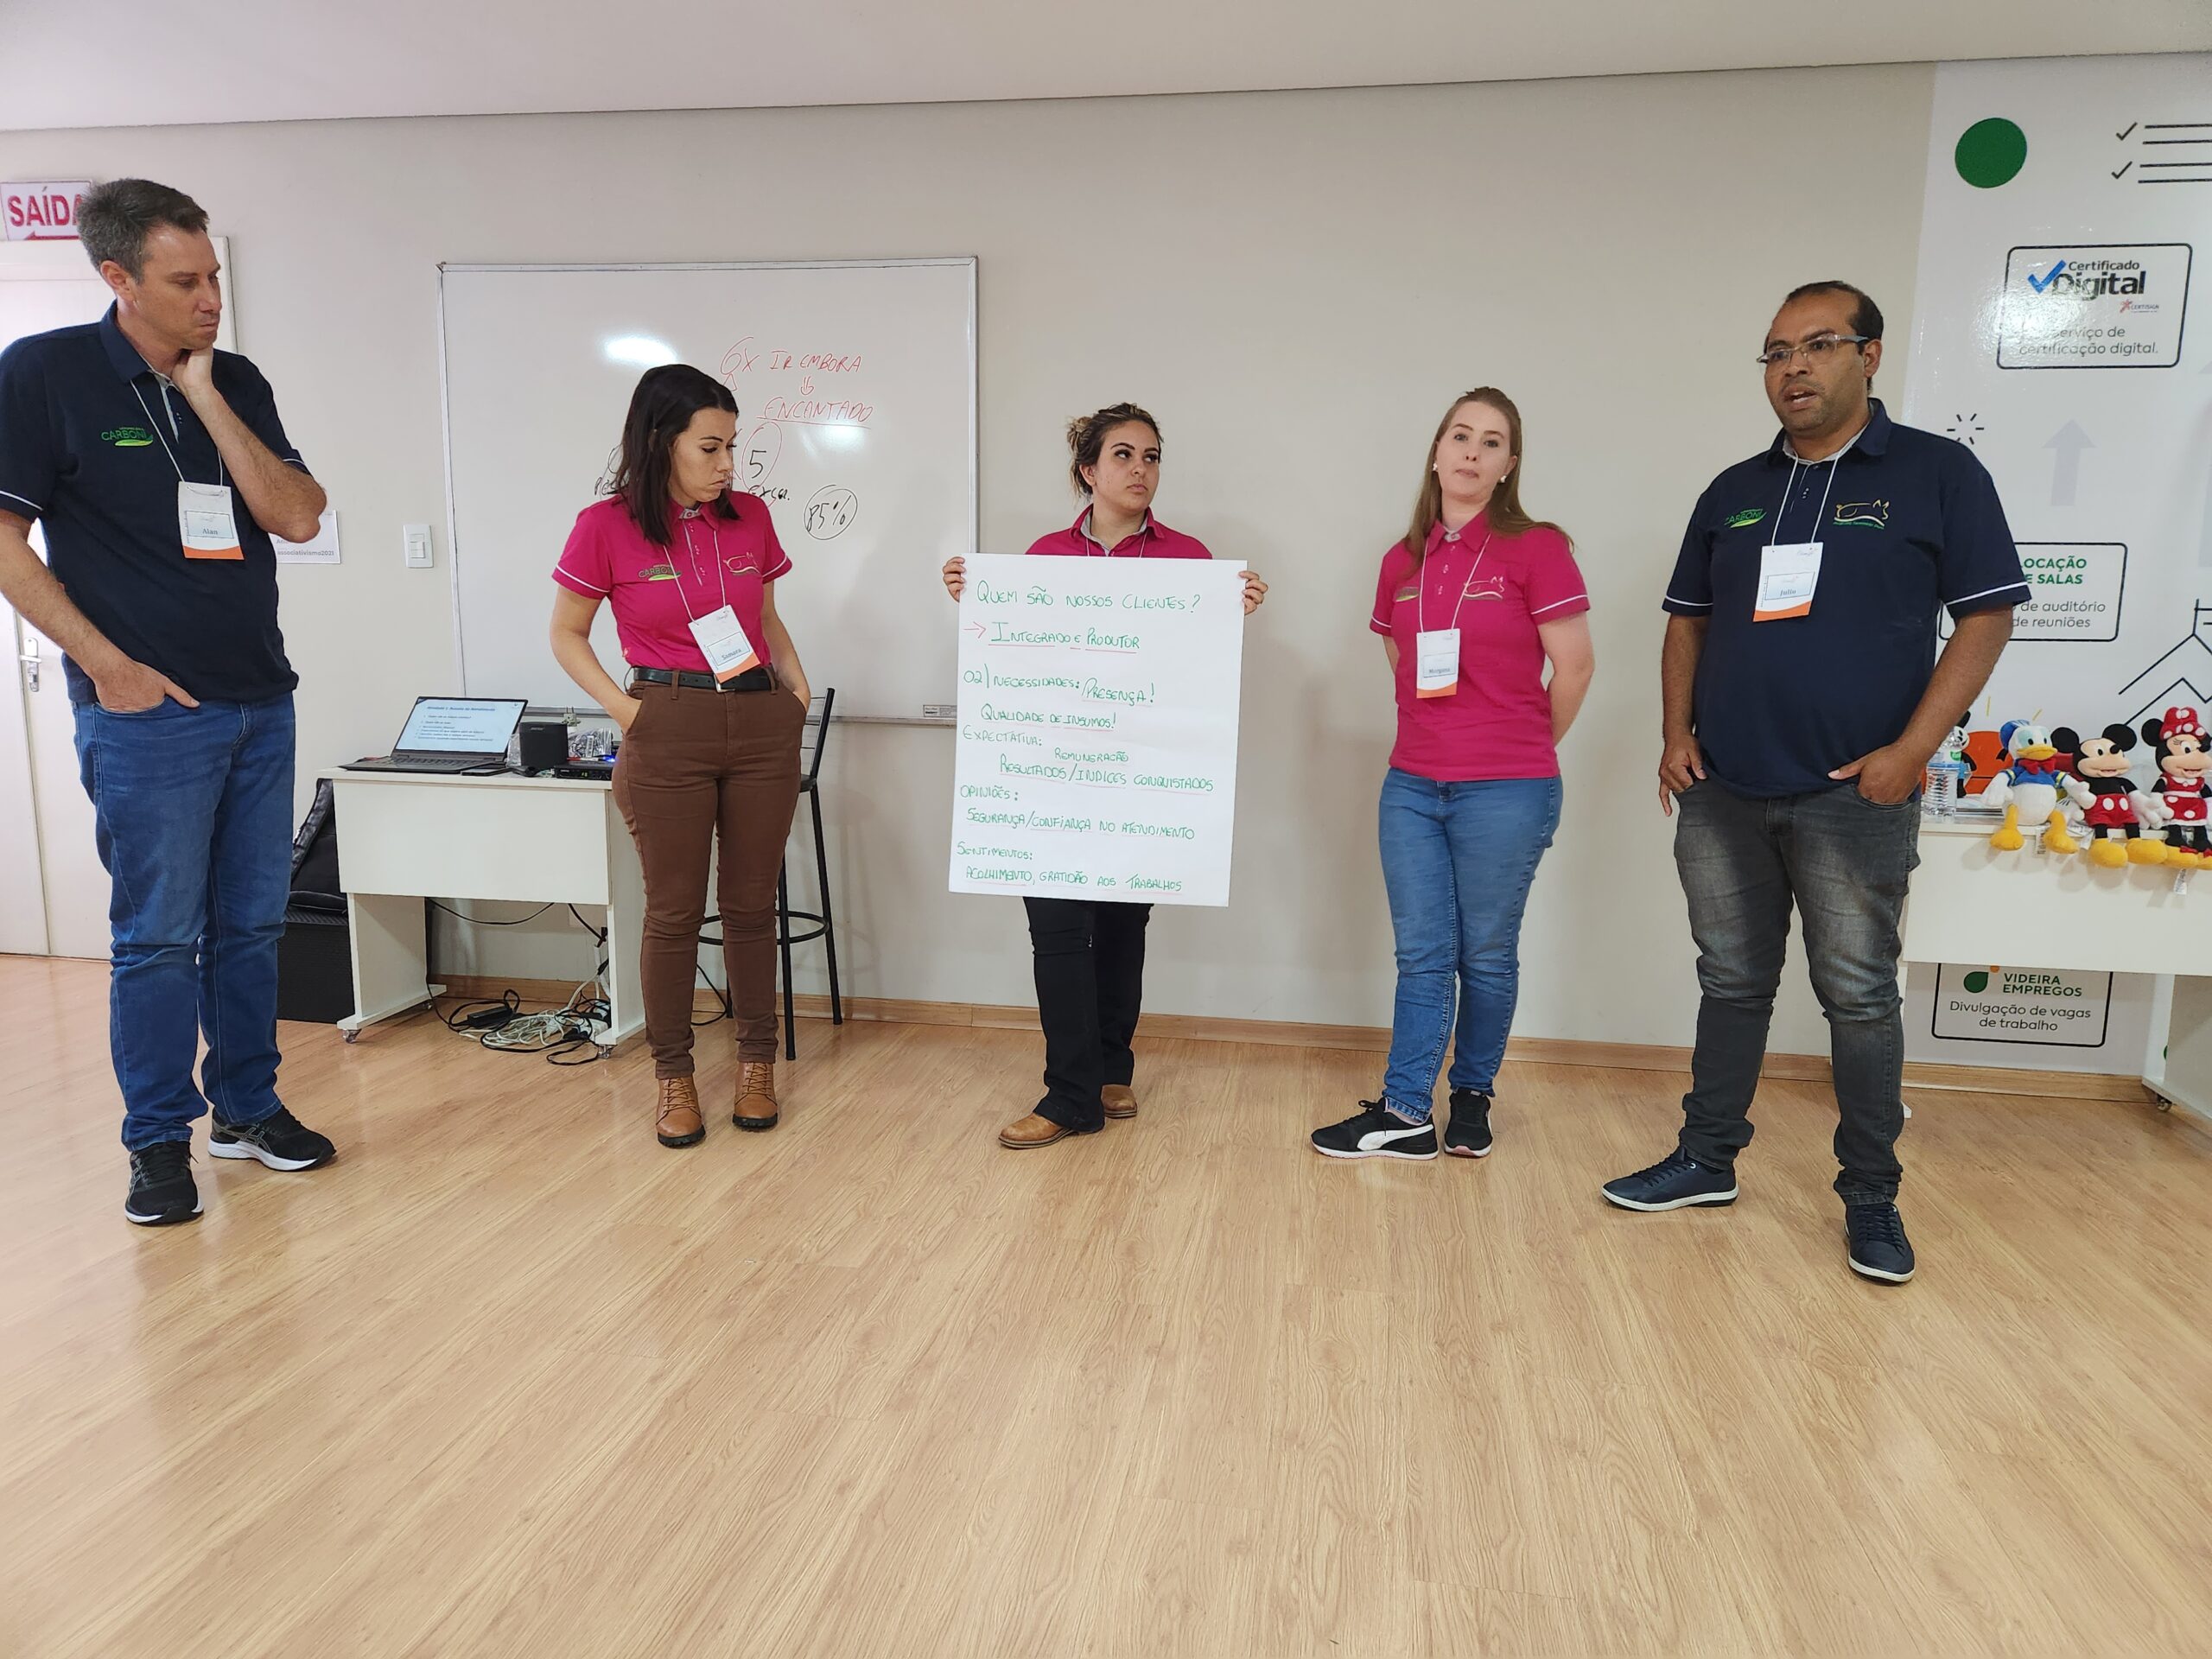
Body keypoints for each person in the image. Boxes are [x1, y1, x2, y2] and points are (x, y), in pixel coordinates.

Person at [1606, 281, 2026, 1286]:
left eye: (1818, 345)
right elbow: (1687, 621)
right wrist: (1674, 734)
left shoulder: (1937, 473)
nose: (1792, 367)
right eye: (1775, 352)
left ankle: (1871, 1194)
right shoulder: (1733, 490)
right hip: (1724, 790)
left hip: (1853, 794)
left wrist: (1912, 749)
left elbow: (1985, 617)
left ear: (1869, 356)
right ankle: (1706, 1160)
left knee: (1858, 997)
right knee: (1729, 982)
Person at [0, 179, 334, 1226]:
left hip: (259, 700)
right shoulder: (44, 373)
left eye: (214, 277)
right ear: (118, 278)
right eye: (184, 282)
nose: (209, 299)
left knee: (252, 925)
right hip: (148, 716)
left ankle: (247, 1106)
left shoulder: (235, 379)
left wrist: (205, 396)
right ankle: (156, 1140)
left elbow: (297, 516)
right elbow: (4, 541)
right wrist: (108, 666)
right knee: (156, 936)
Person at [942, 402, 1266, 1147]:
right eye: (1123, 455)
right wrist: (977, 597)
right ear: (1088, 470)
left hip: (1139, 780)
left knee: (1122, 927)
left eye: (1151, 456)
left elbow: (1191, 674)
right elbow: (1020, 657)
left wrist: (1230, 614)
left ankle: (1112, 1069)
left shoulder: (1190, 559)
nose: (1140, 469)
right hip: (1052, 778)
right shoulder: (1042, 557)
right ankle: (1069, 1095)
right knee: (1058, 930)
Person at [1311, 389, 1593, 1161]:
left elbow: (1574, 668)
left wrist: (1519, 747)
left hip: (1508, 789)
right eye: (1460, 435)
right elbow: (1401, 660)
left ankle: (1472, 1093)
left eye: (1492, 442)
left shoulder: (1538, 548)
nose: (1473, 451)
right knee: (1423, 954)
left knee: (1486, 954)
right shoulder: (1401, 561)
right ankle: (1407, 1112)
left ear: (1508, 466)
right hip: (1411, 786)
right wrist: (1447, 736)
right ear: (1437, 452)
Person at [549, 365, 812, 1148]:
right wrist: (630, 711)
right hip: (668, 722)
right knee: (672, 911)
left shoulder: (750, 516)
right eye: (711, 447)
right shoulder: (605, 526)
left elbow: (766, 617)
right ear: (662, 442)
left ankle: (756, 1067)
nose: (728, 463)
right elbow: (567, 633)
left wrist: (795, 692)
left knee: (751, 906)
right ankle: (674, 1077)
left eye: (732, 445)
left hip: (759, 720)